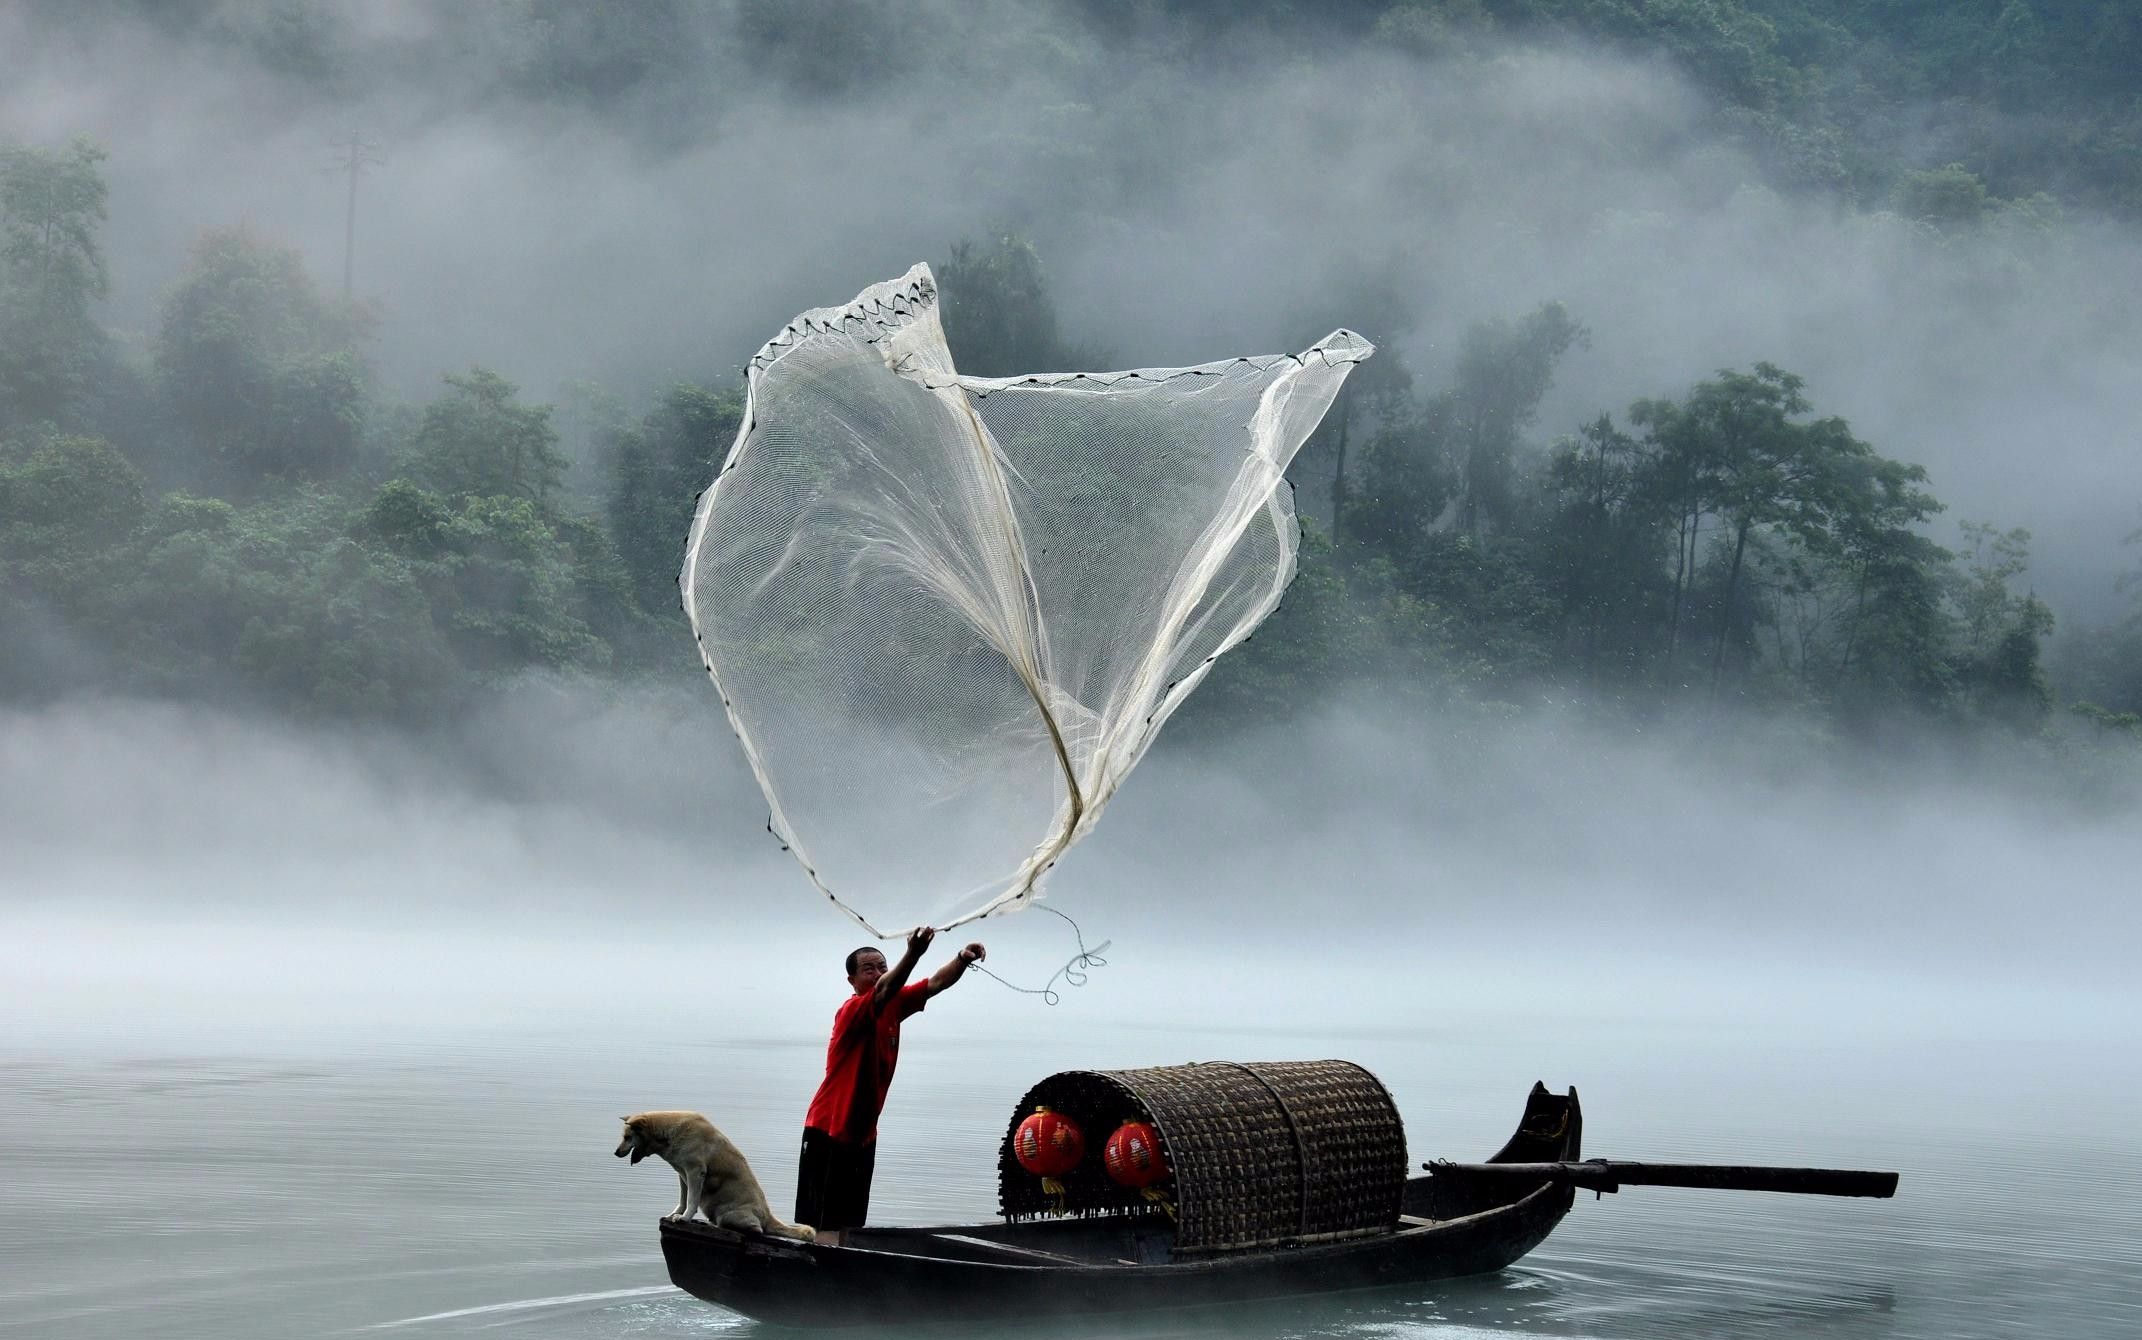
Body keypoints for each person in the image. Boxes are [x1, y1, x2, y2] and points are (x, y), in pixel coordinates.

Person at [795, 925, 985, 1245]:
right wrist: (912, 953)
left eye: (882, 966)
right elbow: (883, 989)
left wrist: (962, 959)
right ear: (852, 981)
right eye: (868, 969)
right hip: (829, 1130)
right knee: (824, 1222)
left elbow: (936, 982)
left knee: (849, 1222)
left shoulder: (894, 1004)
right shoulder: (852, 1010)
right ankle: (819, 1279)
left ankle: (839, 1279)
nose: (878, 973)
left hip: (863, 1134)